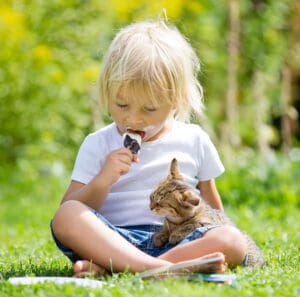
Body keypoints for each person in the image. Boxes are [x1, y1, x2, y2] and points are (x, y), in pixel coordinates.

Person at [51, 18, 247, 277]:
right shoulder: (98, 143)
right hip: (113, 239)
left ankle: (121, 269)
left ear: (177, 100)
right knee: (67, 215)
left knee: (233, 239)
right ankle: (155, 269)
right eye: (121, 105)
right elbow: (69, 208)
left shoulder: (194, 139)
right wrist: (103, 180)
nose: (132, 119)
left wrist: (216, 234)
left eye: (149, 109)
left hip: (177, 240)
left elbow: (212, 206)